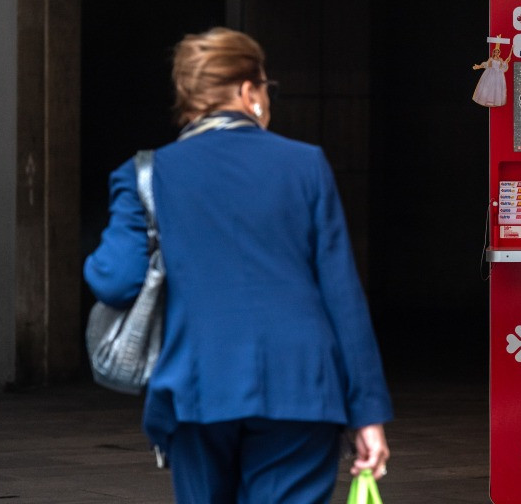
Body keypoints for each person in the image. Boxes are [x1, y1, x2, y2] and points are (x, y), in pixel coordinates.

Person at [84, 27, 392, 503]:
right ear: (249, 91)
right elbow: (342, 296)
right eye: (267, 89)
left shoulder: (146, 173)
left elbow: (117, 281)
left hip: (197, 385)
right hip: (301, 386)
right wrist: (367, 413)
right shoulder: (306, 165)